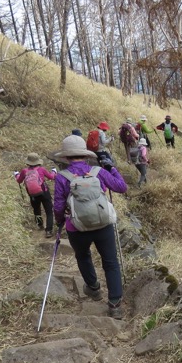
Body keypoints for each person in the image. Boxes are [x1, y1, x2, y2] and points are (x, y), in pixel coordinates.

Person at [52, 135, 128, 319]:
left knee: (83, 255)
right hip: (103, 224)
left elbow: (59, 205)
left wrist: (60, 221)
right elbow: (121, 187)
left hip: (76, 227)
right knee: (110, 262)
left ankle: (93, 288)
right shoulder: (97, 171)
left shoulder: (62, 177)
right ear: (85, 155)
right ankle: (115, 305)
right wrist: (111, 168)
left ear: (67, 157)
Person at [15, 152, 56, 237]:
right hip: (44, 192)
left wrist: (16, 175)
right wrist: (54, 172)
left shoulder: (24, 171)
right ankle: (48, 231)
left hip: (32, 194)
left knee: (36, 210)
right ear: (38, 161)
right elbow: (51, 177)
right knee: (49, 211)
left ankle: (40, 225)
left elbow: (19, 181)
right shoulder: (41, 169)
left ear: (28, 162)